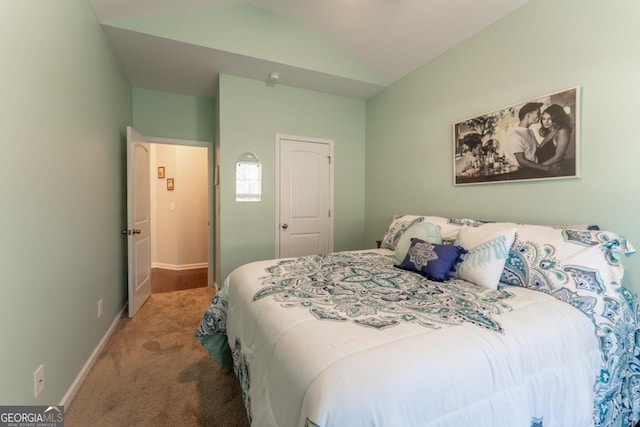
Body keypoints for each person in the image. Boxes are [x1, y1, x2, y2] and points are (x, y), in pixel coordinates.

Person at [504, 102, 559, 175]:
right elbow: (522, 161)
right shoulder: (515, 135)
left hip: (535, 170)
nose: (540, 116)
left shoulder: (530, 132)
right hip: (522, 173)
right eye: (538, 113)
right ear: (527, 115)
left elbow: (538, 151)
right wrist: (547, 168)